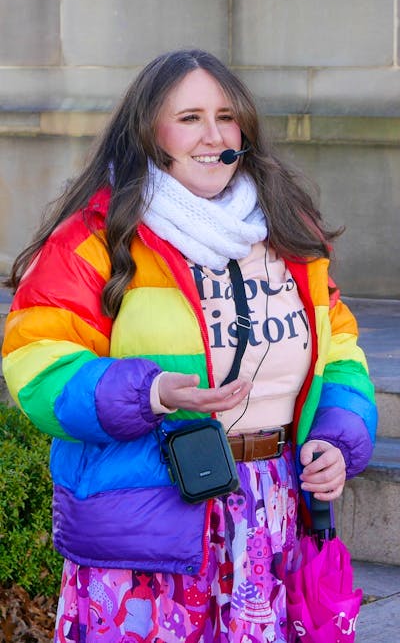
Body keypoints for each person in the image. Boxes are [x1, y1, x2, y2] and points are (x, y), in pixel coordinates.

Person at [2, 49, 376, 643]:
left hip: (273, 512)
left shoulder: (288, 227)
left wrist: (338, 435)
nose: (212, 136)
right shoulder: (97, 236)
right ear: (149, 131)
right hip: (149, 518)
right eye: (189, 117)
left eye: (226, 116)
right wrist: (148, 391)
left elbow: (340, 346)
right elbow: (35, 364)